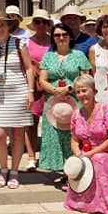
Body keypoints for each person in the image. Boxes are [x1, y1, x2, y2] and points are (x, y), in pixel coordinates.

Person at [0, 11, 35, 189]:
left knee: (18, 134)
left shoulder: (19, 42)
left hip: (19, 91)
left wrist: (30, 91)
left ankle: (14, 171)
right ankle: (3, 169)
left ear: (9, 26)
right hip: (0, 93)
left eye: (2, 24)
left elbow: (29, 68)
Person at [38, 23, 90, 172]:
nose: (61, 38)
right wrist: (55, 91)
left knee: (73, 135)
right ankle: (62, 169)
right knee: (55, 136)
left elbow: (85, 77)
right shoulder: (48, 56)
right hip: (53, 103)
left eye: (64, 35)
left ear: (70, 37)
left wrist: (68, 89)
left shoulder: (79, 55)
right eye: (57, 35)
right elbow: (42, 80)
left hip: (74, 100)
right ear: (53, 38)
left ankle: (74, 169)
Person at [65, 73, 108, 214]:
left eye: (84, 90)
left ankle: (106, 204)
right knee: (77, 164)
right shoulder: (76, 114)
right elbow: (75, 140)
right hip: (85, 153)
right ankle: (83, 203)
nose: (81, 94)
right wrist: (78, 155)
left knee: (99, 159)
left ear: (94, 91)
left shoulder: (106, 109)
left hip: (107, 151)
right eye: (78, 92)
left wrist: (90, 154)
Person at [23, 8, 53, 171]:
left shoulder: (54, 41)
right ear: (33, 25)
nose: (41, 25)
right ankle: (31, 157)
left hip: (50, 86)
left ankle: (47, 156)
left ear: (48, 24)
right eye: (38, 22)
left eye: (44, 22)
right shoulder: (27, 42)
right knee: (31, 123)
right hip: (34, 86)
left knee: (51, 123)